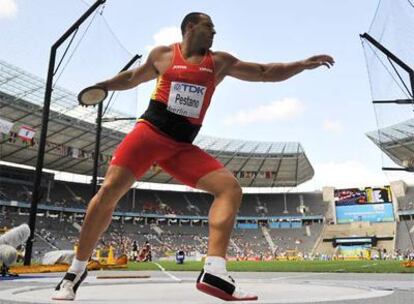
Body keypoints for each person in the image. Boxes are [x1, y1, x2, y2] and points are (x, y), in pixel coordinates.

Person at [53, 12, 334, 301]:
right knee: (109, 191)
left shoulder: (220, 62)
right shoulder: (163, 55)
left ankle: (214, 269)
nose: (215, 32)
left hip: (181, 147)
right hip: (149, 133)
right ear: (191, 27)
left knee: (230, 189)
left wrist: (300, 65)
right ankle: (76, 271)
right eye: (209, 26)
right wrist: (105, 86)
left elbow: (263, 71)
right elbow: (132, 77)